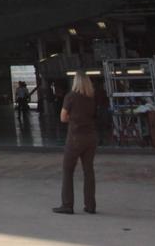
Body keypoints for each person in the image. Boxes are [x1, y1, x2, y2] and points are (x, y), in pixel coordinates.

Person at [53, 71, 98, 214]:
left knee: (68, 170)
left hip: (75, 138)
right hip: (91, 137)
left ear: (75, 82)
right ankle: (90, 205)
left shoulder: (71, 97)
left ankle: (67, 205)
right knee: (88, 171)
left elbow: (62, 117)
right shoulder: (91, 98)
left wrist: (74, 119)